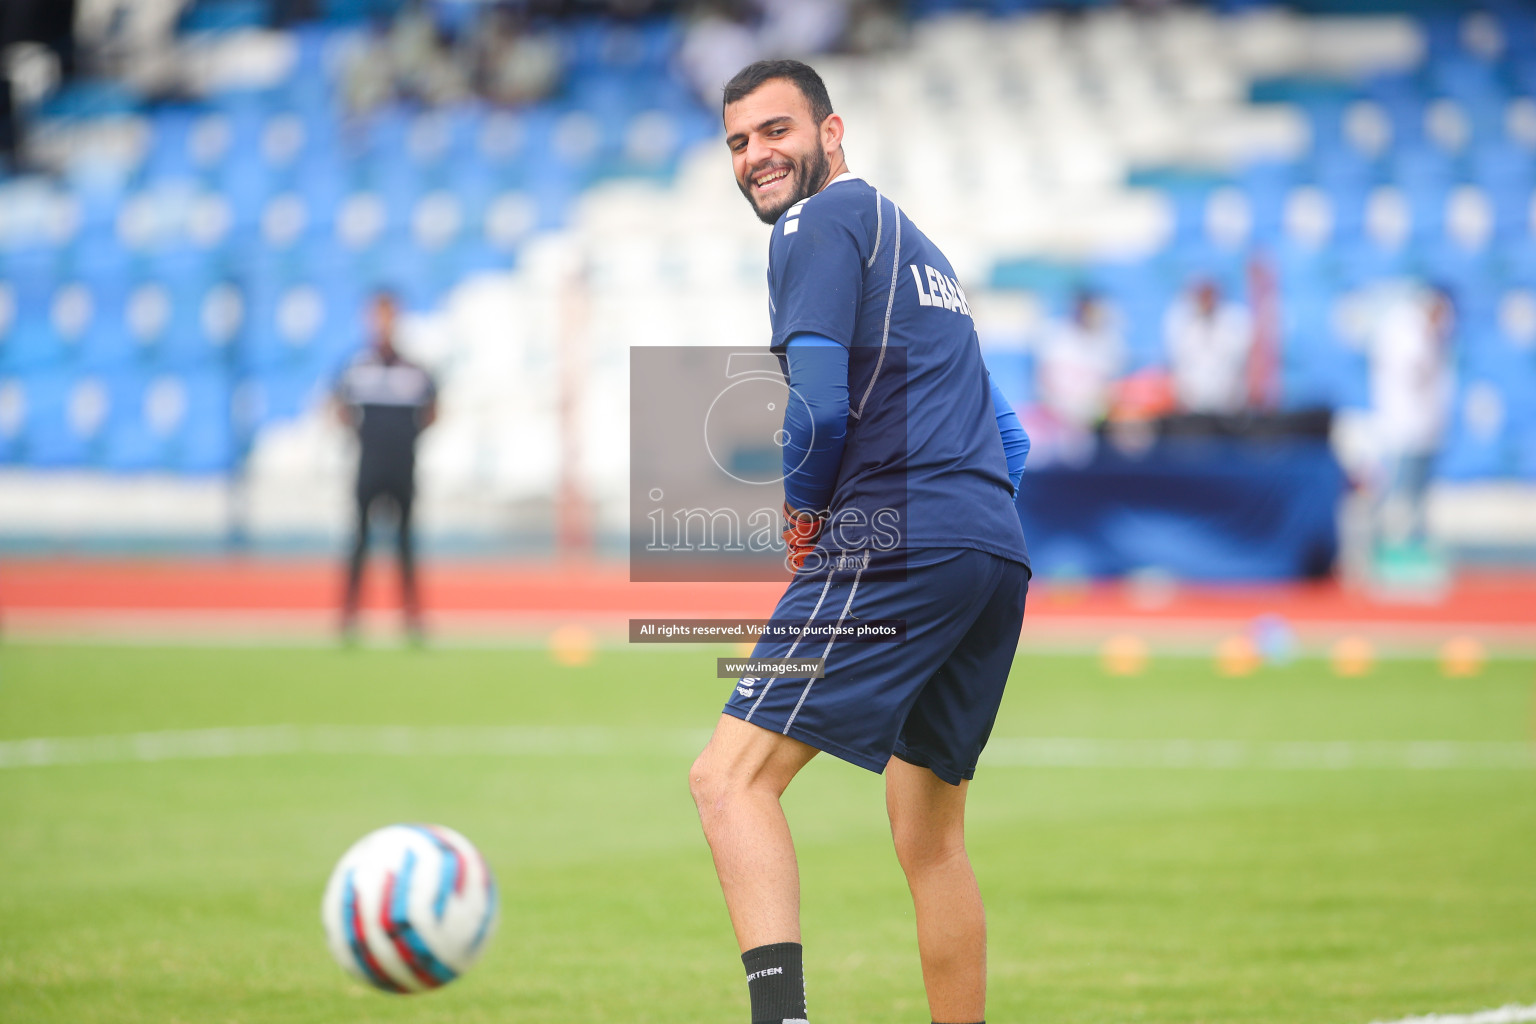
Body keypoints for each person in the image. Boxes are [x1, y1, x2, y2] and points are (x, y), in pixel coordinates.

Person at [689, 60, 1031, 1024]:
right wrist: (970, 538)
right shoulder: (919, 250)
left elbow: (820, 411)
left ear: (832, 134)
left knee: (727, 781)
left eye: (775, 131)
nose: (757, 156)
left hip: (901, 532)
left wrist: (804, 520)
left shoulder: (817, 223)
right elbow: (1014, 441)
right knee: (930, 837)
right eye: (739, 142)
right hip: (992, 550)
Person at [334, 291, 437, 641]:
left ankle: (412, 616)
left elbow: (433, 409)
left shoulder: (415, 370)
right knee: (360, 540)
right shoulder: (357, 367)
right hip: (368, 465)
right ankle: (349, 614)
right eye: (378, 314)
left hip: (403, 466)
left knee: (405, 543)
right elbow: (338, 406)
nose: (384, 321)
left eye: (389, 314)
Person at [1368, 282, 1454, 549]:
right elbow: (1413, 370)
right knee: (1396, 492)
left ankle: (1413, 546)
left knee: (1418, 496)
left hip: (1425, 427)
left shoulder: (1431, 331)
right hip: (1403, 426)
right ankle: (1385, 544)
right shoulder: (1405, 328)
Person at [1163, 278, 1252, 415]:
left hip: (1228, 406)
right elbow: (1178, 366)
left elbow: (1242, 365)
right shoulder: (1183, 325)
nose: (1206, 301)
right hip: (1192, 405)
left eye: (1209, 295)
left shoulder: (1235, 323)